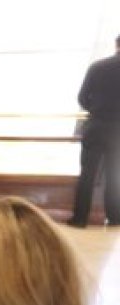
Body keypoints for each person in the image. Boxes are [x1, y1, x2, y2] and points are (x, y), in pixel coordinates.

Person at [70, 34, 120, 226]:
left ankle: (80, 218)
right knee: (115, 175)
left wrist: (96, 109)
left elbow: (82, 97)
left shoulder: (97, 67)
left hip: (96, 126)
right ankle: (114, 217)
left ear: (116, 44)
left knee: (87, 174)